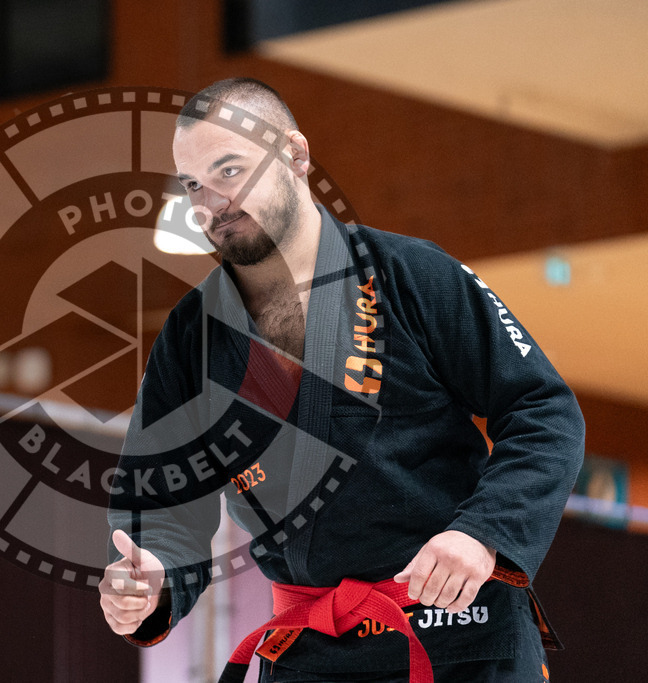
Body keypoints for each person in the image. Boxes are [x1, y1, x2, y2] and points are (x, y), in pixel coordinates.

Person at [99, 78, 584, 682]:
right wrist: (155, 578)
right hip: (311, 655)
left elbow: (543, 409)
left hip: (461, 640)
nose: (211, 202)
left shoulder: (411, 274)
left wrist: (482, 532)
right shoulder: (192, 336)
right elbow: (163, 501)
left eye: (229, 171)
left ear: (296, 156)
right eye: (193, 184)